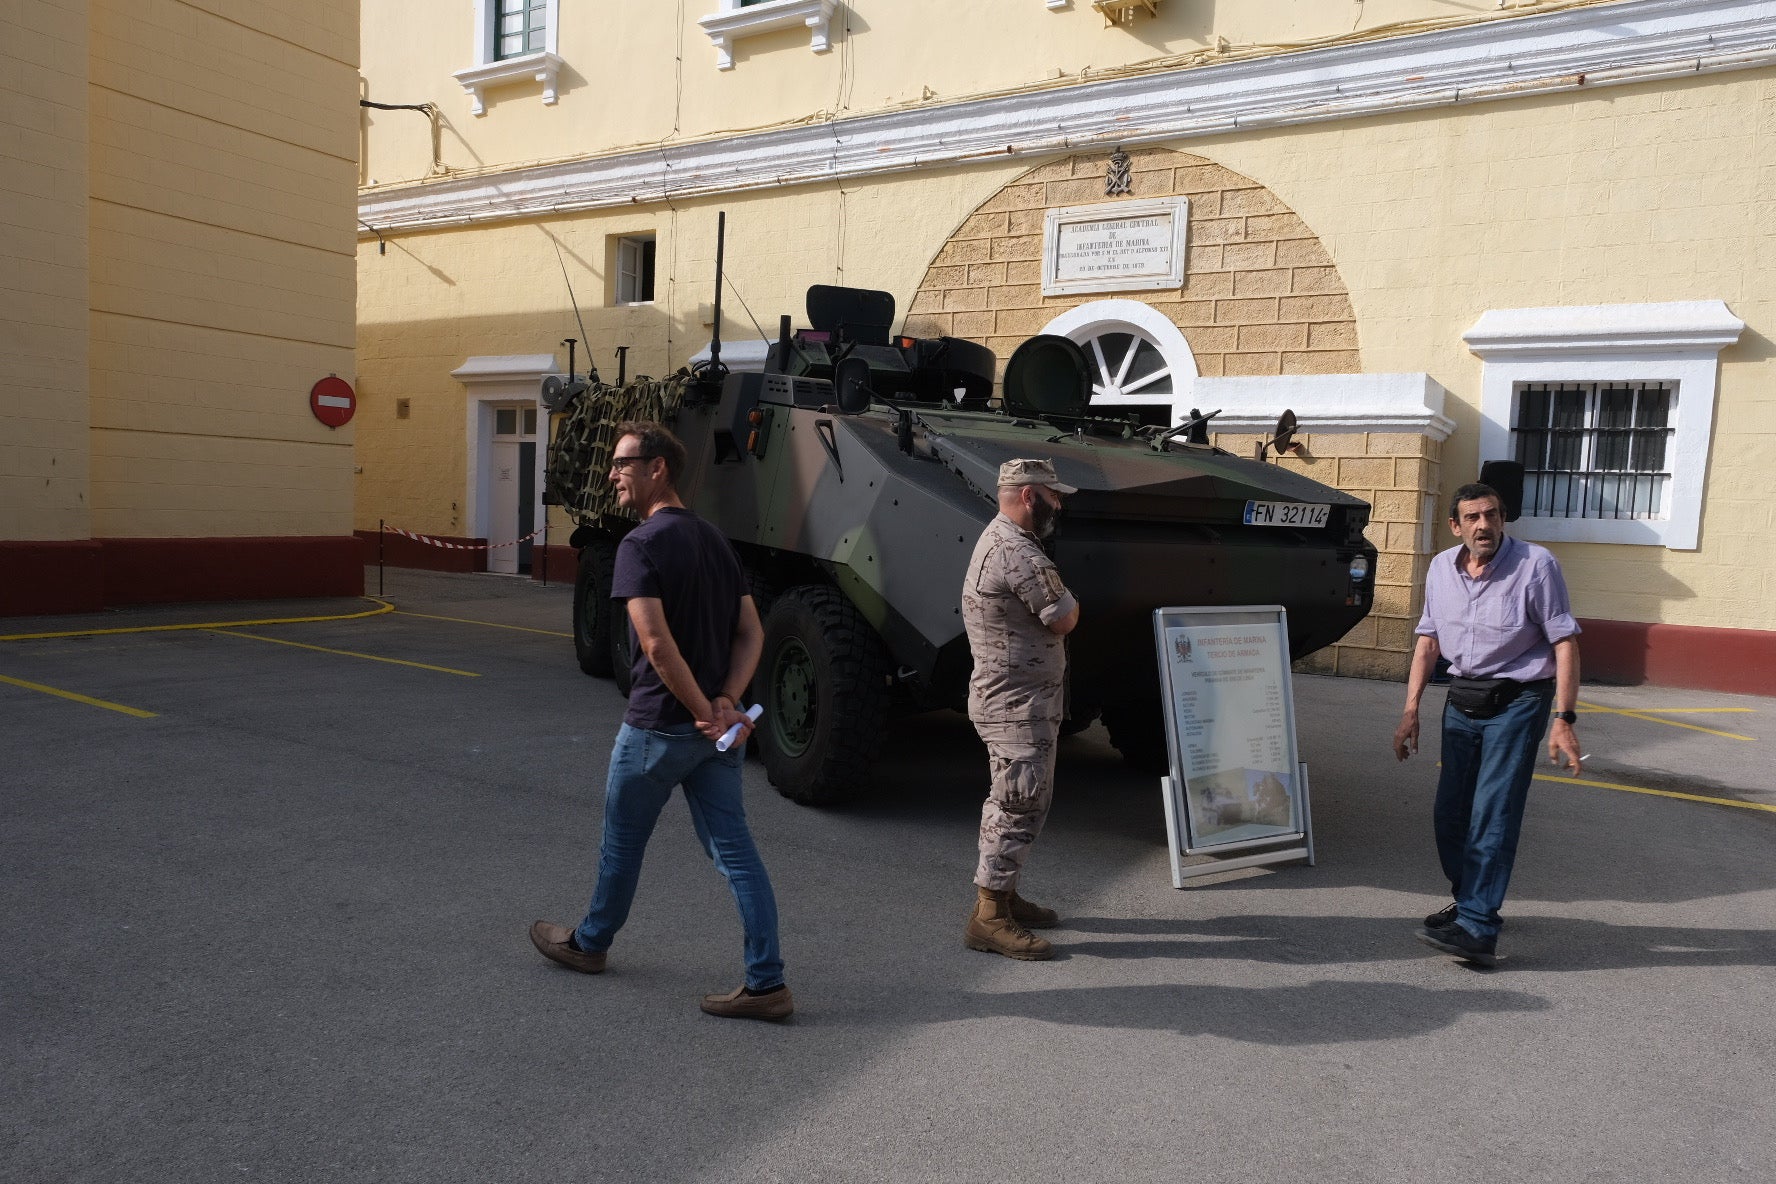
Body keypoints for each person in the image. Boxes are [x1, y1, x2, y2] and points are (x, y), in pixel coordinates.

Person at [529, 421, 792, 1020]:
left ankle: (589, 945)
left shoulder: (640, 545)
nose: (613, 475)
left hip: (656, 730)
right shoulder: (716, 541)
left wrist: (704, 710)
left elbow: (655, 644)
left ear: (658, 468)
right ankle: (767, 982)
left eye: (623, 464)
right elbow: (752, 632)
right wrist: (725, 701)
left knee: (621, 845)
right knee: (736, 854)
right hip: (712, 736)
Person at [1393, 482, 1583, 967]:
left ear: (1502, 519)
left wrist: (1564, 718)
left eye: (1492, 515)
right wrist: (1411, 710)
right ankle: (1471, 901)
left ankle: (1478, 928)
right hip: (1462, 698)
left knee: (1493, 812)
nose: (1484, 525)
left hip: (1519, 700)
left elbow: (1564, 642)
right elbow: (1428, 641)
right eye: (1473, 518)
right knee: (1450, 814)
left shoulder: (1536, 565)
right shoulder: (1441, 568)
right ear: (1455, 526)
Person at [959, 457, 1082, 961]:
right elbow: (1064, 617)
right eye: (1054, 496)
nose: (1059, 505)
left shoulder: (1002, 539)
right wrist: (1073, 603)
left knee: (1026, 798)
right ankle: (988, 917)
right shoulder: (1017, 551)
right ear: (1030, 495)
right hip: (1014, 705)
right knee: (1016, 802)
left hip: (1019, 700)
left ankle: (1003, 895)